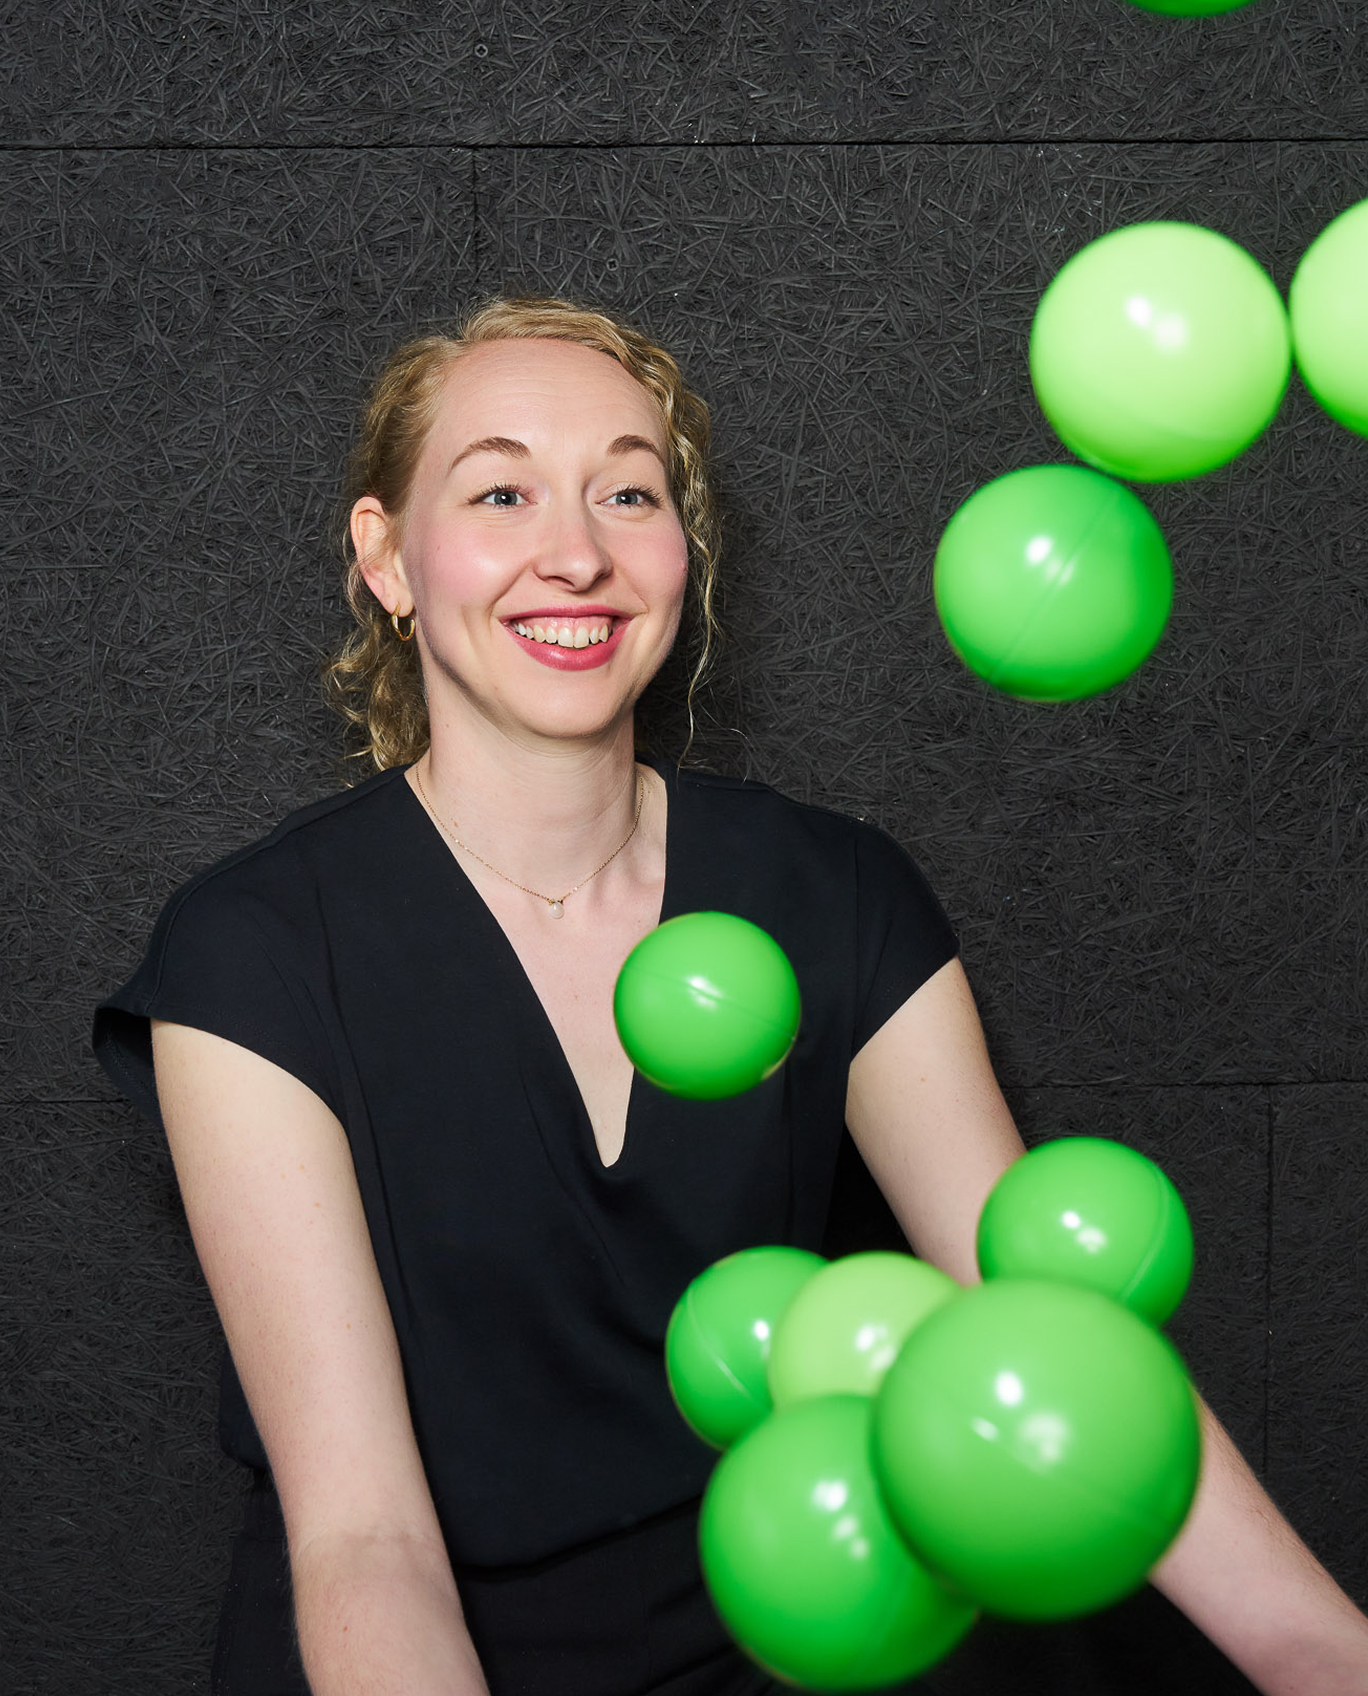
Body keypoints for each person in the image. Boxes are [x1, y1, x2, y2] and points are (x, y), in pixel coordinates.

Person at [94, 296, 1368, 1696]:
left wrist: (1321, 1651)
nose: (576, 553)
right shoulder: (254, 951)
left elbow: (1055, 1352)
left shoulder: (838, 891)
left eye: (628, 493)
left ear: (681, 553)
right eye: (502, 492)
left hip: (805, 1645)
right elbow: (362, 1539)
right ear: (387, 558)